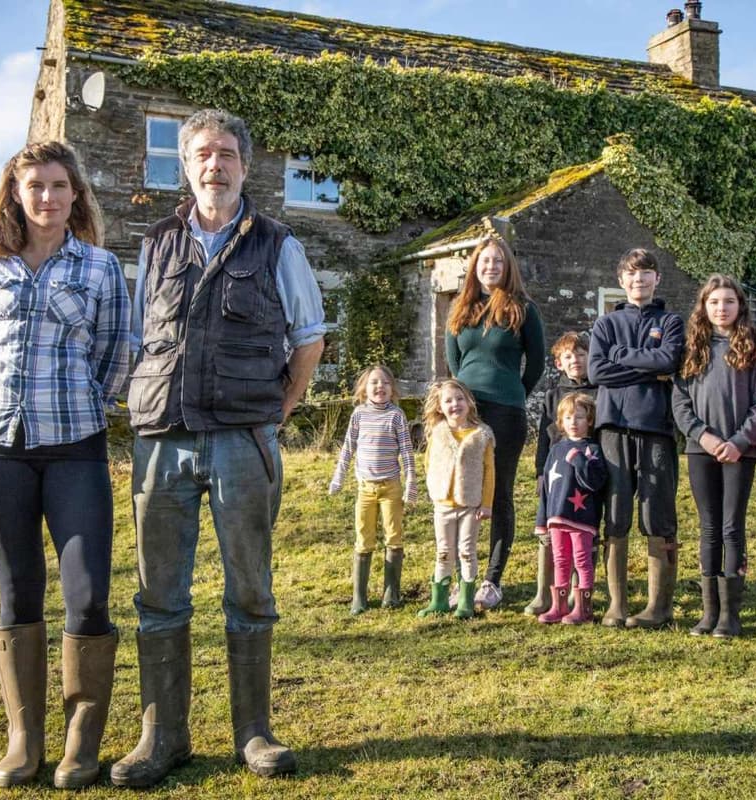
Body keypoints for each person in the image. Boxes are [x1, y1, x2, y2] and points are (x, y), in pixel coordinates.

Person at [112, 110, 325, 787]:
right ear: (186, 163)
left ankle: (253, 733)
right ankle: (163, 736)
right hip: (161, 442)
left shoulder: (278, 244)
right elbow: (141, 335)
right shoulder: (155, 243)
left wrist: (276, 413)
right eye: (203, 153)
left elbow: (309, 339)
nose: (216, 165)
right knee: (159, 595)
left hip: (243, 440)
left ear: (244, 165)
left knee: (250, 590)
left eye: (227, 153)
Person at [0, 141, 131, 789]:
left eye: (58, 185)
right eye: (34, 186)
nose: (46, 197)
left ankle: (81, 740)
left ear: (76, 195)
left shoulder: (99, 268)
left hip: (74, 445)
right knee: (17, 588)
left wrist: (82, 402)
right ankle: (25, 737)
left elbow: (115, 353)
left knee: (88, 591)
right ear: (15, 193)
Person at [445, 234, 545, 610]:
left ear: (507, 268)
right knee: (462, 495)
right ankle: (462, 579)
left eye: (498, 262)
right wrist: (468, 400)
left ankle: (492, 579)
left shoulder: (522, 309)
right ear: (475, 266)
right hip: (466, 416)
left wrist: (512, 392)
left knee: (499, 493)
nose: (491, 267)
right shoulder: (460, 307)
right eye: (485, 261)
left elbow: (536, 364)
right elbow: (454, 363)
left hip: (507, 413)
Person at [587, 248, 685, 629]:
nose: (639, 281)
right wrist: (646, 364)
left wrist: (621, 358)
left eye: (646, 275)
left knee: (657, 512)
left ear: (656, 279)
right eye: (632, 275)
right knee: (616, 513)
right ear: (622, 280)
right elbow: (597, 371)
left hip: (656, 427)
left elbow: (668, 362)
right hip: (612, 426)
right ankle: (617, 604)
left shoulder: (671, 321)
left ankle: (659, 607)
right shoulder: (606, 325)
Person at [673, 274, 756, 639]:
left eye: (729, 302)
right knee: (709, 527)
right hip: (701, 449)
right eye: (714, 302)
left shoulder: (754, 349)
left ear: (740, 306)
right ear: (704, 307)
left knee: (732, 527)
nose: (721, 308)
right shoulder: (692, 348)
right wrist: (705, 436)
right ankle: (708, 611)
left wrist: (739, 441)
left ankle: (731, 614)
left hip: (739, 453)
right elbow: (680, 403)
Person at [328, 364, 418, 614]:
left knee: (393, 536)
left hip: (391, 487)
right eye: (374, 383)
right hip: (365, 489)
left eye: (385, 383)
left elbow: (407, 452)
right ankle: (359, 597)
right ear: (364, 389)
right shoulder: (358, 414)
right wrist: (338, 477)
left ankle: (392, 593)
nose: (380, 387)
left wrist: (411, 481)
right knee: (363, 538)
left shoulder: (396, 415)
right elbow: (348, 448)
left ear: (393, 389)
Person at [526, 331, 597, 616]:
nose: (576, 360)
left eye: (581, 354)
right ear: (559, 363)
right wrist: (540, 472)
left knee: (583, 535)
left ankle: (580, 598)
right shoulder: (552, 396)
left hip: (585, 477)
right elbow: (545, 437)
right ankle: (548, 595)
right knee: (551, 531)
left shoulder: (600, 391)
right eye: (569, 356)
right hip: (556, 477)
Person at [416, 379, 494, 620]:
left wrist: (486, 503)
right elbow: (429, 463)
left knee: (467, 551)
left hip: (470, 506)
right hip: (443, 506)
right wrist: (435, 490)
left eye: (459, 399)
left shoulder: (481, 435)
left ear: (469, 402)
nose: (455, 404)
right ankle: (438, 600)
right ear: (439, 406)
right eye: (448, 400)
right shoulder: (438, 433)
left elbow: (490, 471)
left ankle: (465, 601)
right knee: (443, 551)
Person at [534, 393, 607, 624]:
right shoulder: (555, 450)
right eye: (568, 417)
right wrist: (542, 520)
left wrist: (578, 460)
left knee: (582, 560)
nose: (573, 422)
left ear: (590, 420)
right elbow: (546, 486)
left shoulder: (592, 449)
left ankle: (583, 608)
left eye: (579, 417)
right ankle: (559, 605)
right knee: (560, 560)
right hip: (556, 517)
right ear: (560, 421)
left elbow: (595, 482)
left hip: (582, 518)